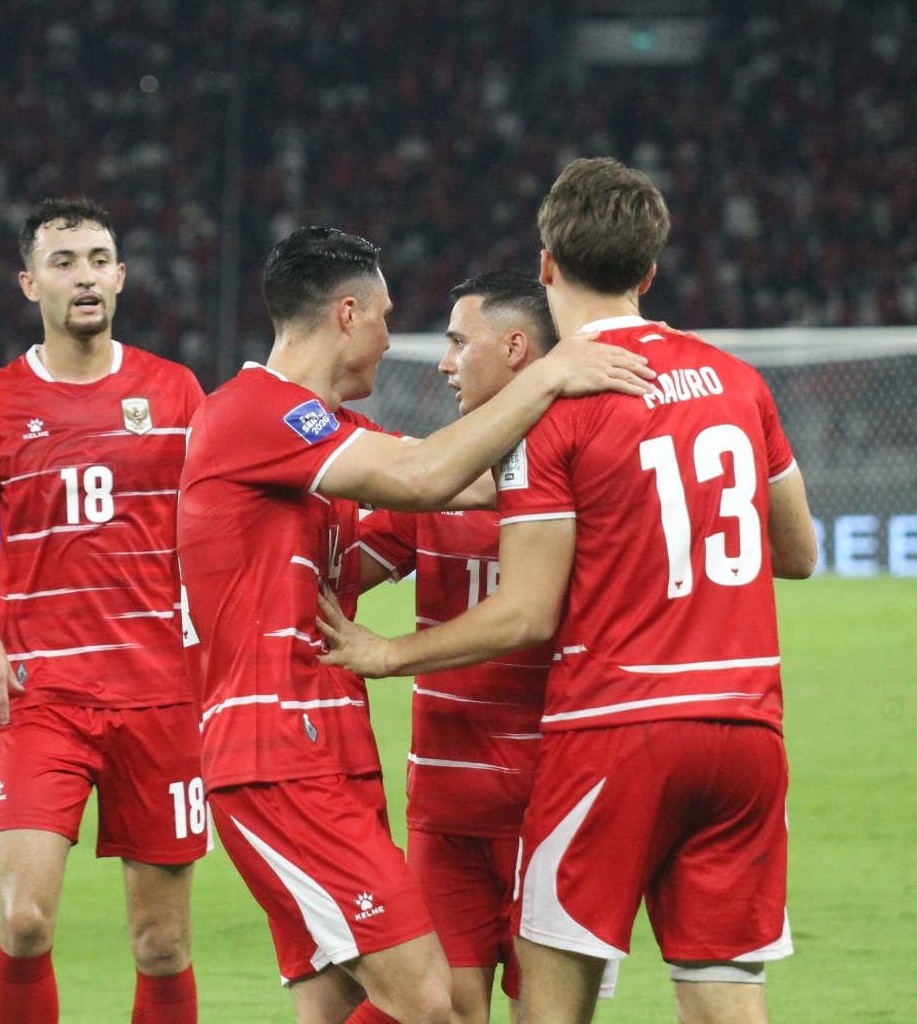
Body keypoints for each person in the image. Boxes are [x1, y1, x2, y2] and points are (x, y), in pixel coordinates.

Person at [318, 158, 818, 1024]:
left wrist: (388, 652)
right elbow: (799, 552)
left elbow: (527, 612)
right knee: (724, 996)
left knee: (549, 1002)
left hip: (615, 732)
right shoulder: (738, 382)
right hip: (747, 725)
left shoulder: (555, 413)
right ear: (650, 271)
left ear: (546, 265)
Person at [175, 227, 656, 1024]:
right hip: (277, 754)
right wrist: (553, 376)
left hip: (331, 750)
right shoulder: (251, 414)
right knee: (433, 1004)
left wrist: (611, 464)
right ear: (349, 313)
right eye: (390, 316)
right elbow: (429, 477)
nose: (402, 342)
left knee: (336, 1007)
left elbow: (470, 483)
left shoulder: (329, 432)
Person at [0, 197, 206, 1024]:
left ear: (119, 277)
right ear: (28, 283)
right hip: (42, 696)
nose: (84, 275)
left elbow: (223, 526)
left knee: (162, 946)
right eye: (63, 261)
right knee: (24, 922)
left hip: (163, 697)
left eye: (97, 259)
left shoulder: (177, 392)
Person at [353, 269, 562, 1023]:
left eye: (456, 342)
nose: (442, 362)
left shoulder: (592, 470)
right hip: (446, 810)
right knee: (446, 1010)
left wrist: (388, 654)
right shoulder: (433, 476)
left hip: (557, 802)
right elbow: (346, 574)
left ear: (514, 347)